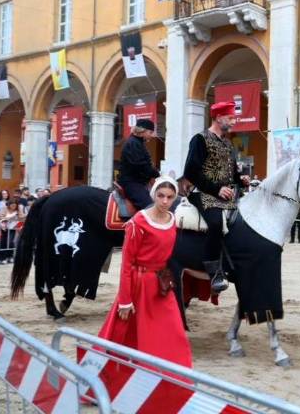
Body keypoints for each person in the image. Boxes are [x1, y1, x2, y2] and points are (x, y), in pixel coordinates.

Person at [94, 177, 192, 397]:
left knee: (175, 333)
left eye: (169, 197)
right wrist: (126, 299)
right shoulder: (139, 221)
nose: (165, 201)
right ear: (154, 195)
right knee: (126, 336)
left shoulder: (173, 220)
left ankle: (177, 384)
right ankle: (113, 384)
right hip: (137, 286)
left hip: (160, 287)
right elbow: (127, 264)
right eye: (161, 196)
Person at [183, 101, 249, 292]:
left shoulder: (228, 143)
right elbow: (191, 171)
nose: (234, 121)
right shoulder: (200, 139)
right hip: (203, 193)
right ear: (219, 118)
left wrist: (240, 179)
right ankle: (213, 271)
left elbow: (230, 172)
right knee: (215, 223)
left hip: (226, 195)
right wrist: (216, 189)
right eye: (230, 117)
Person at [118, 118, 161, 211]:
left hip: (137, 181)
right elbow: (141, 165)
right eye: (150, 132)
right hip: (131, 182)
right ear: (143, 131)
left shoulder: (137, 143)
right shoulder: (133, 143)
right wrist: (157, 174)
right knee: (150, 207)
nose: (152, 135)